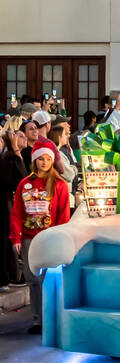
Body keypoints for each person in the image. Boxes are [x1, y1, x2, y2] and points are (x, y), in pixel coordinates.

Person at [9, 138, 71, 333]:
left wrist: (60, 238)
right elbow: (17, 213)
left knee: (50, 279)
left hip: (50, 239)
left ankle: (54, 318)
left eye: (47, 159)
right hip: (29, 239)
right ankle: (38, 320)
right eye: (40, 159)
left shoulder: (59, 185)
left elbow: (63, 215)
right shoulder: (24, 184)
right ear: (34, 160)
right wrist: (16, 238)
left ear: (52, 161)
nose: (44, 162)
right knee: (33, 280)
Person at [0, 128, 27, 289]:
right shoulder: (7, 159)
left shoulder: (8, 160)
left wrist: (16, 151)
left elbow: (22, 181)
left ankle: (7, 276)